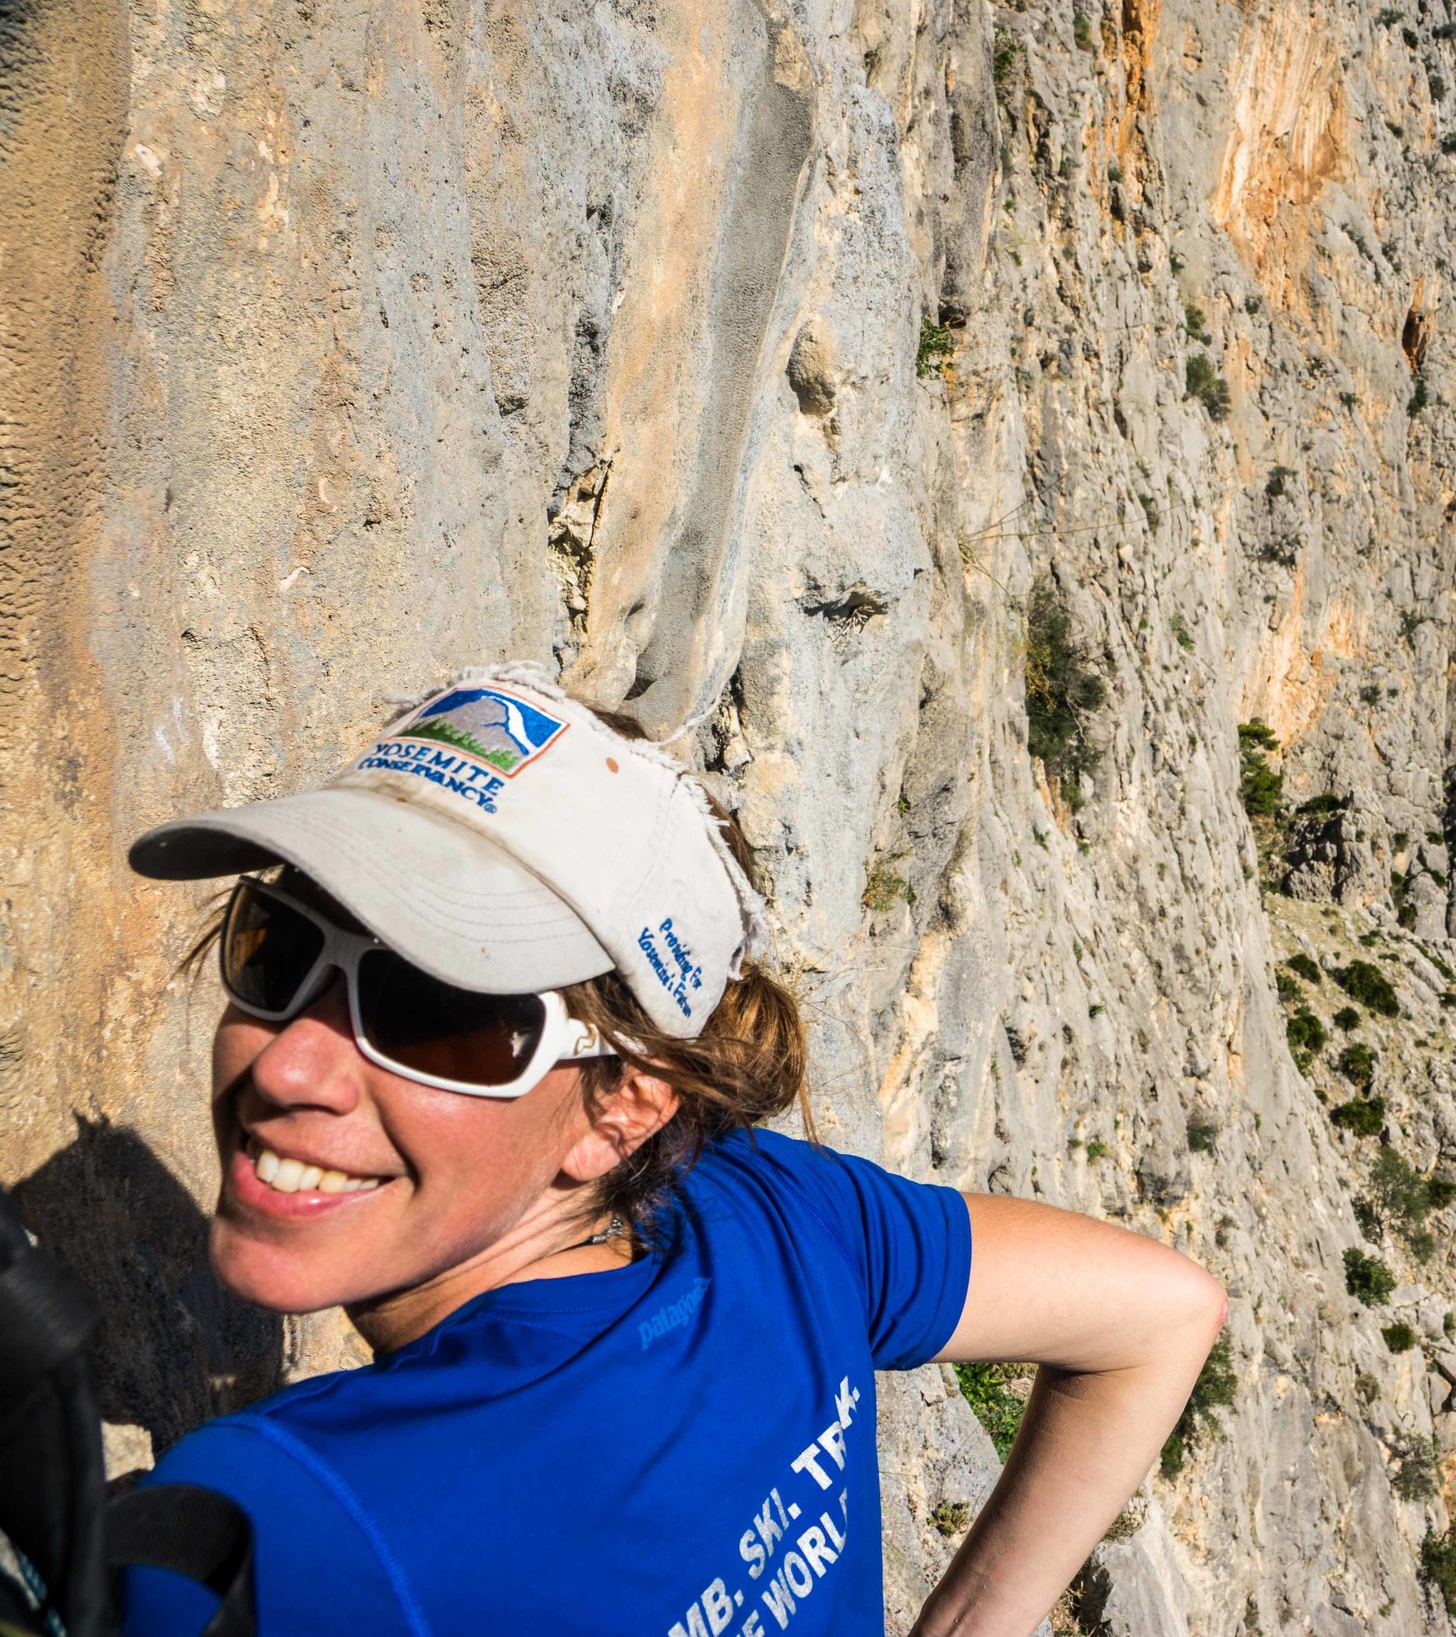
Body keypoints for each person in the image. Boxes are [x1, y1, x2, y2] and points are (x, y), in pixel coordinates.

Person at [116, 663, 1227, 1636]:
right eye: (277, 949)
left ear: (623, 1108)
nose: (287, 1066)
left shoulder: (282, 1527)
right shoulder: (780, 1220)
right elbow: (1160, 1310)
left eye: (431, 1013)